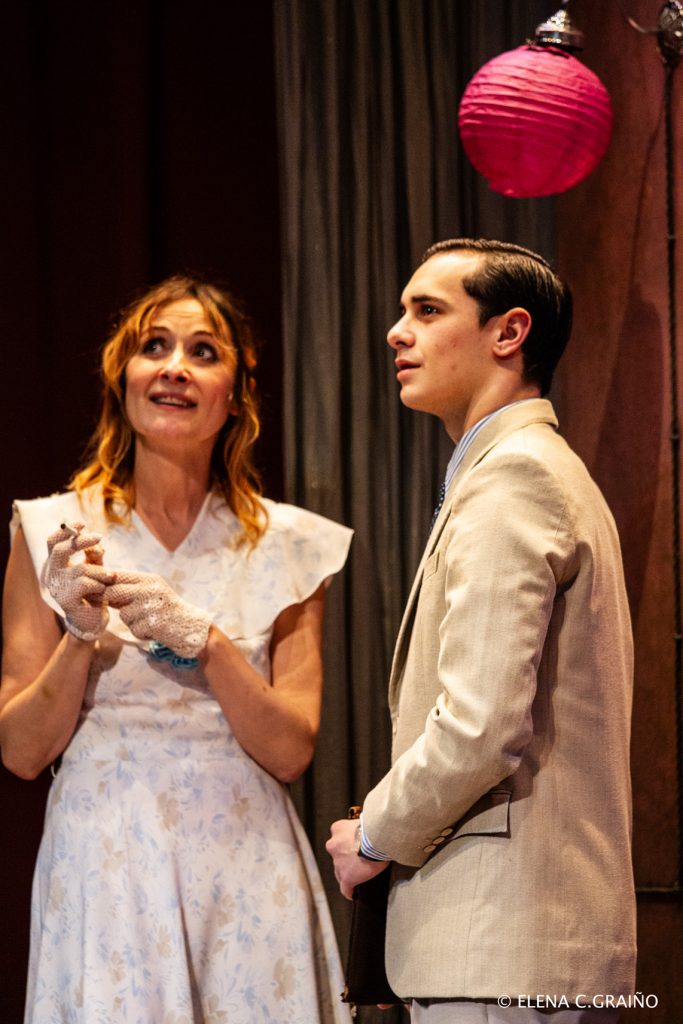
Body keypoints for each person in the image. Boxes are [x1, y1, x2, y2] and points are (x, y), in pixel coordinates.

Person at [0, 276, 353, 1023]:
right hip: (106, 864)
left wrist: (208, 644)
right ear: (121, 378)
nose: (174, 368)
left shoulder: (293, 546)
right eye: (154, 347)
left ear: (239, 392)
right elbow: (21, 751)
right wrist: (80, 636)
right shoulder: (50, 532)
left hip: (244, 867)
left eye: (203, 352)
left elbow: (291, 749)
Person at [327, 239, 636, 1023]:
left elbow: (479, 725)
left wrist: (373, 836)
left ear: (508, 332)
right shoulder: (520, 469)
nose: (397, 331)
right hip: (516, 943)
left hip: (500, 942)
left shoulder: (514, 475)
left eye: (428, 311)